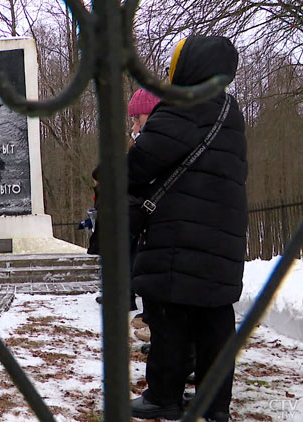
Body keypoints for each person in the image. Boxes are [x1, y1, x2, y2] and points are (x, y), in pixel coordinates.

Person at [128, 36, 247, 422]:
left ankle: (164, 395)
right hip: (222, 233)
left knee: (169, 316)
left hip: (180, 234)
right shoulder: (230, 108)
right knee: (215, 319)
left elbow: (141, 164)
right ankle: (215, 405)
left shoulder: (182, 106)